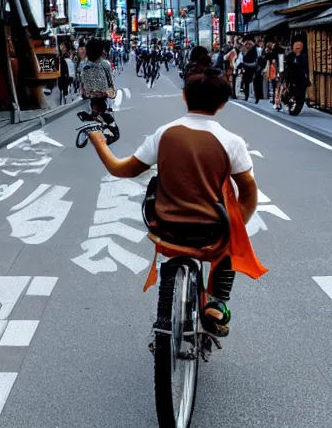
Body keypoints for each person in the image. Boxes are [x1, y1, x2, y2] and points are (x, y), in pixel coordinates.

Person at [87, 70, 261, 336]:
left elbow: (121, 169)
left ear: (184, 97)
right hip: (211, 231)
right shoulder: (232, 142)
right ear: (223, 103)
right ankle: (216, 303)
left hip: (165, 226)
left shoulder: (164, 133)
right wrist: (236, 228)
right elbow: (248, 192)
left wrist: (98, 139)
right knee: (231, 243)